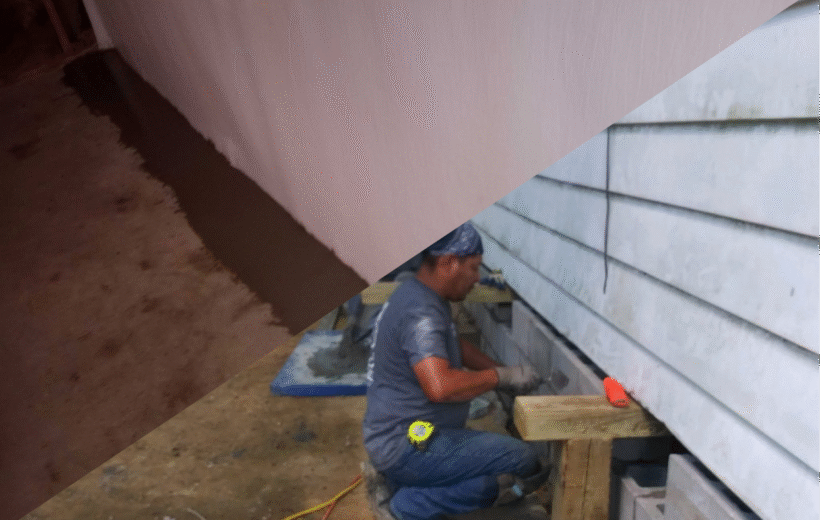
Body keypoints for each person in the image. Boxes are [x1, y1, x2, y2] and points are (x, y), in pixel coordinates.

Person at [361, 222, 550, 520]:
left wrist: (500, 369)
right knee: (520, 460)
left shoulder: (417, 292)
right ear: (449, 263)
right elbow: (441, 386)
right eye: (473, 268)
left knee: (498, 458)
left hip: (399, 434)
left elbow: (452, 345)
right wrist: (501, 377)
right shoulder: (421, 313)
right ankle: (409, 506)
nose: (476, 279)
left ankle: (399, 483)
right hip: (406, 444)